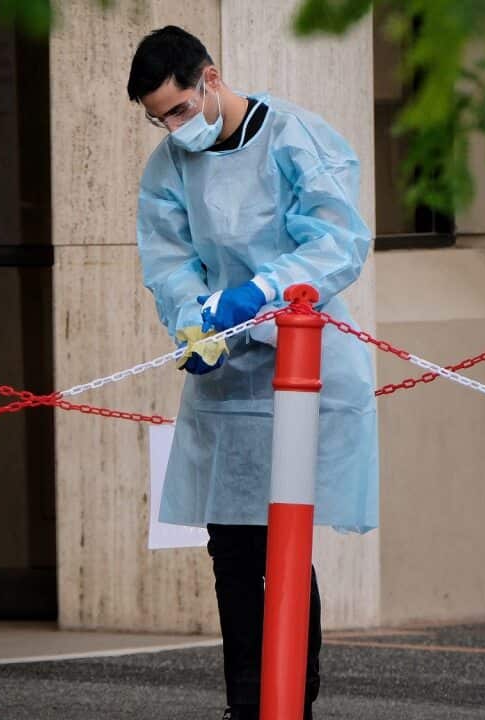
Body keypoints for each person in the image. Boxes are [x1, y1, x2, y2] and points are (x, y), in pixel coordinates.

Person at [129, 25, 378, 720]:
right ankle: (246, 706)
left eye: (179, 109)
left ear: (210, 78)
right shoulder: (170, 165)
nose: (174, 129)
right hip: (228, 375)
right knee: (232, 552)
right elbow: (169, 259)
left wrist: (262, 291)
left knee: (285, 549)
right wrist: (193, 316)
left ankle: (291, 703)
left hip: (301, 362)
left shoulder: (295, 137)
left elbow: (336, 240)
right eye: (158, 118)